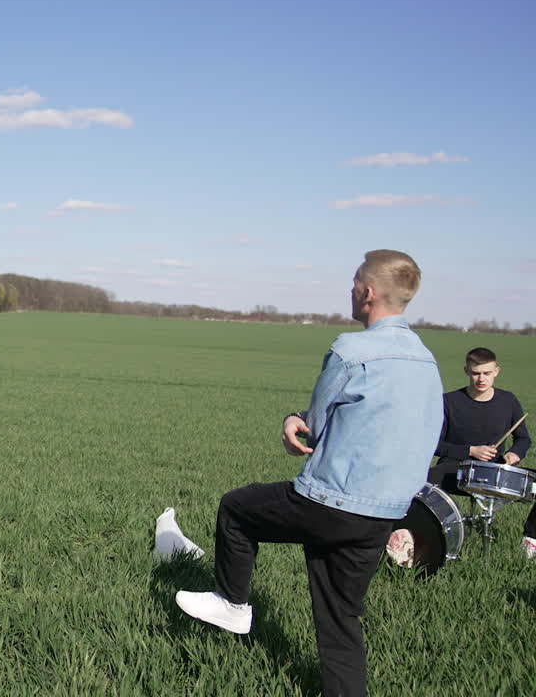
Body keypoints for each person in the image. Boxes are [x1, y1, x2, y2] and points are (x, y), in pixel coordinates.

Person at [175, 250, 442, 697]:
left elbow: (315, 428)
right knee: (340, 617)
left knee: (236, 509)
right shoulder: (426, 360)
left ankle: (232, 603)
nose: (351, 289)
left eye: (355, 282)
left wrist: (293, 421)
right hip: (386, 512)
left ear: (368, 292)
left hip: (332, 501)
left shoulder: (351, 350)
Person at [427, 347, 534, 557]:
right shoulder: (449, 401)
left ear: (497, 371)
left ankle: (531, 541)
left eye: (486, 373)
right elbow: (433, 444)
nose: (481, 379)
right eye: (476, 373)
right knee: (422, 483)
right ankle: (433, 539)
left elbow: (523, 439)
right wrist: (470, 450)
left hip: (494, 471)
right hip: (454, 468)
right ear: (466, 370)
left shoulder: (508, 401)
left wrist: (515, 454)